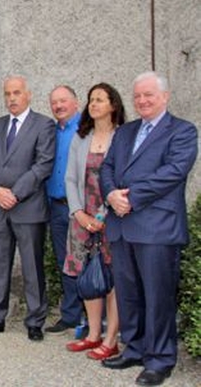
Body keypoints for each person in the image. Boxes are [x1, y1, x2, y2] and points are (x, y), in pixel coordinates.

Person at [100, 72, 198, 386]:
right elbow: (107, 167)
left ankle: (160, 359)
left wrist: (132, 197)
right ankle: (136, 348)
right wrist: (111, 194)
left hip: (157, 227)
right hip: (122, 225)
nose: (142, 101)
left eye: (149, 95)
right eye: (138, 96)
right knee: (128, 294)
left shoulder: (182, 131)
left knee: (158, 296)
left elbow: (173, 172)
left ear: (165, 97)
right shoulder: (126, 131)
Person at [0, 76, 55, 342]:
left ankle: (35, 320)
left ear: (28, 95)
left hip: (28, 207)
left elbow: (43, 165)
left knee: (32, 267)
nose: (11, 98)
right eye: (7, 93)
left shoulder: (43, 125)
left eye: (17, 93)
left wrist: (15, 194)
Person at [63, 83, 126, 360]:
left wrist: (101, 216)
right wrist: (79, 213)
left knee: (111, 278)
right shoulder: (81, 136)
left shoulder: (123, 136)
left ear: (113, 105)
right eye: (91, 100)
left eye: (100, 99)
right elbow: (71, 178)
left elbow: (123, 179)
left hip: (112, 217)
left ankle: (111, 338)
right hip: (82, 217)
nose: (94, 104)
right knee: (89, 275)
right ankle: (92, 334)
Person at [44, 85, 83, 335]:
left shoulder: (85, 130)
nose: (58, 106)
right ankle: (71, 315)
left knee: (86, 263)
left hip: (80, 208)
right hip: (56, 206)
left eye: (63, 101)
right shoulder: (51, 132)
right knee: (65, 262)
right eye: (54, 102)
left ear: (76, 102)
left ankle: (92, 315)